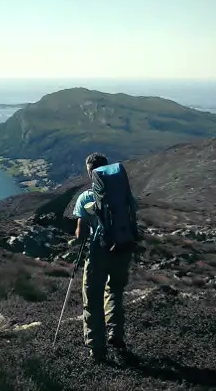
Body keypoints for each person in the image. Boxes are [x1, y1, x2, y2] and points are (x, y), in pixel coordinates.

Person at [73, 152, 138, 362]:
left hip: (98, 253)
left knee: (92, 300)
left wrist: (79, 232)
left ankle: (97, 349)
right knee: (115, 292)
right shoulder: (123, 196)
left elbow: (81, 234)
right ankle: (115, 335)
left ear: (91, 172)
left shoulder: (86, 197)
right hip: (122, 250)